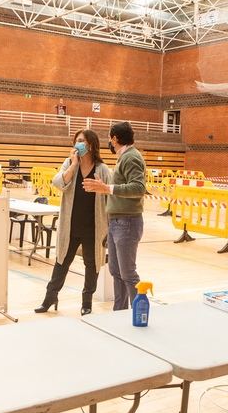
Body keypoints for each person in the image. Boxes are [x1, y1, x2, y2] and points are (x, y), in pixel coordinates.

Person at [35, 130, 112, 316]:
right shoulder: (70, 163)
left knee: (91, 265)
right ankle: (50, 297)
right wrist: (73, 164)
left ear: (92, 145)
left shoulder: (102, 169)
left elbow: (110, 199)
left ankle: (87, 302)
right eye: (76, 141)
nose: (78, 144)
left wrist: (109, 228)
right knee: (61, 262)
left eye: (82, 141)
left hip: (93, 227)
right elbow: (58, 183)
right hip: (70, 226)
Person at [82, 121, 146, 311]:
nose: (109, 141)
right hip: (117, 221)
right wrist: (105, 187)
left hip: (127, 221)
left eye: (110, 138)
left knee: (128, 272)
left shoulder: (131, 158)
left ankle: (139, 311)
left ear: (115, 138)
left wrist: (107, 188)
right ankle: (119, 312)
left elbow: (139, 188)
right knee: (116, 271)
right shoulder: (124, 157)